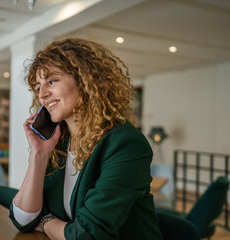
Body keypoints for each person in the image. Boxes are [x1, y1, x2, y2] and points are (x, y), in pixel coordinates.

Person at [9, 38, 162, 239]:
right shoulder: (57, 144)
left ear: (86, 80)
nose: (42, 95)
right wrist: (39, 154)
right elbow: (23, 219)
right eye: (38, 86)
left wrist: (45, 222)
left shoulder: (125, 144)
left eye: (52, 81)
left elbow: (87, 235)